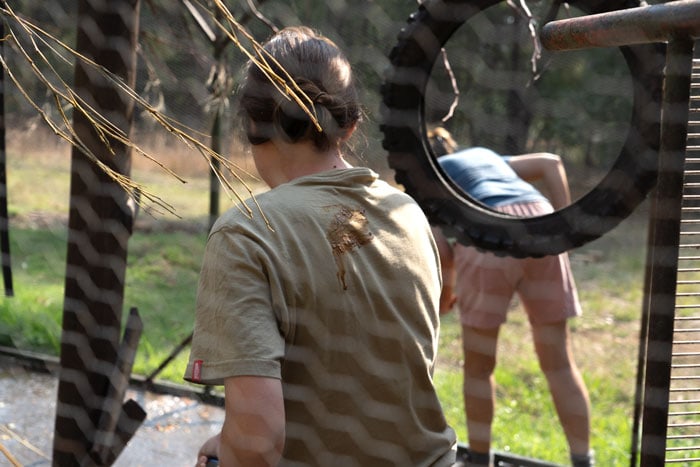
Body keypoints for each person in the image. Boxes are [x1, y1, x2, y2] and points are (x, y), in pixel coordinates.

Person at [183, 27, 457, 466]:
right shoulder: (409, 213)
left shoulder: (247, 232)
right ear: (349, 125)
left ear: (253, 123)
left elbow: (257, 443)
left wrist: (233, 446)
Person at [428, 127, 593, 467]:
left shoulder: (427, 174)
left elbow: (439, 245)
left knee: (478, 369)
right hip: (540, 223)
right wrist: (564, 228)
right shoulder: (486, 157)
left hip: (488, 231)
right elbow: (551, 163)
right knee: (559, 362)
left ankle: (479, 460)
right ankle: (583, 461)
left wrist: (446, 296)